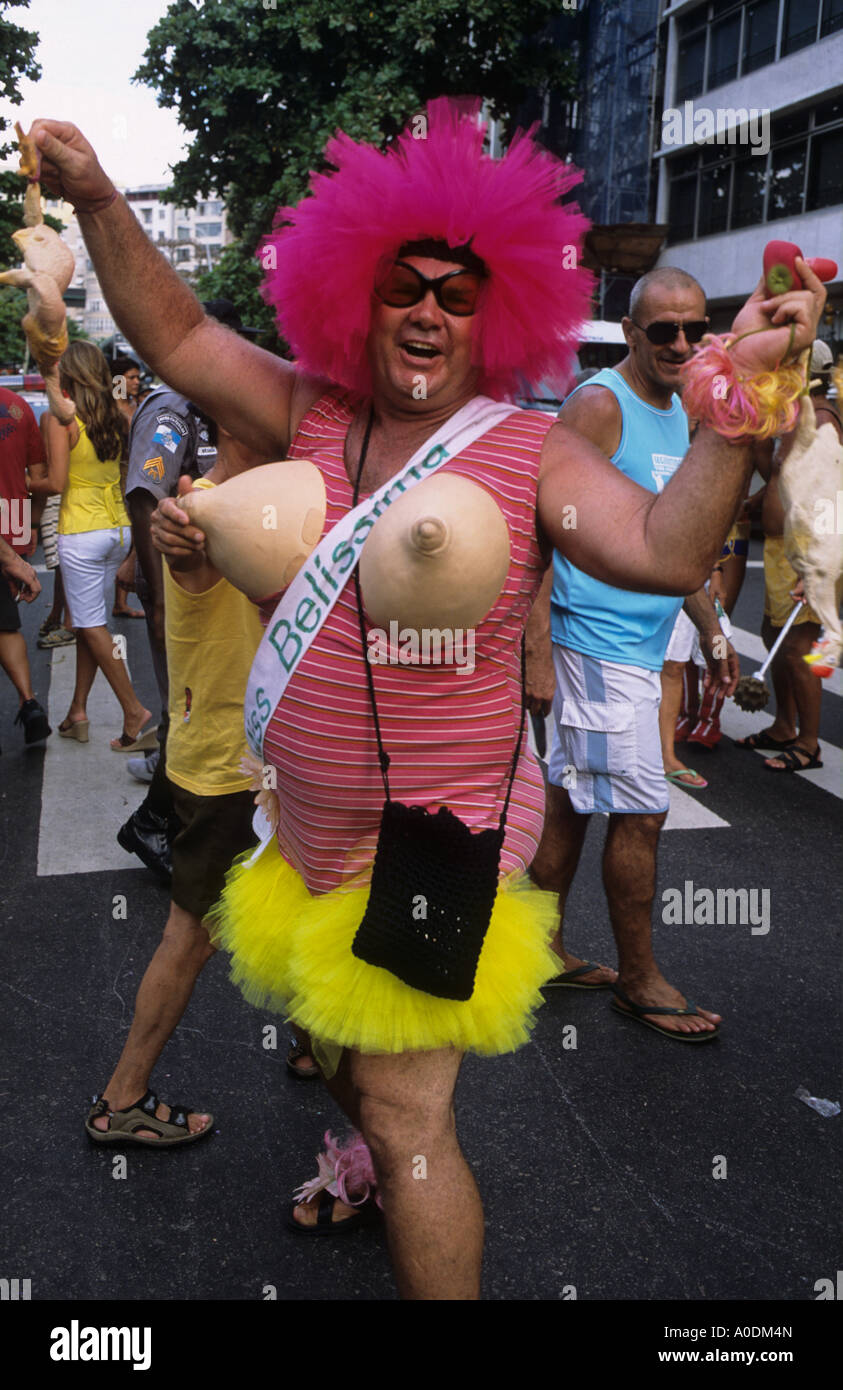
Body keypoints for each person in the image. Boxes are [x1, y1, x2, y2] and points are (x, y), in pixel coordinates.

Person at [29, 105, 823, 1300]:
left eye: (459, 296)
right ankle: (357, 1151)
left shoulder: (528, 450)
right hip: (304, 829)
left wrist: (735, 404)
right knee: (338, 1057)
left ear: (495, 316)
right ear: (361, 293)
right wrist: (97, 197)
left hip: (434, 843)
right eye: (405, 286)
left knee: (406, 1113)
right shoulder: (312, 412)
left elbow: (664, 548)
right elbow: (180, 332)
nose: (428, 313)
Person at [527, 268, 739, 1038]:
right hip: (595, 645)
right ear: (631, 333)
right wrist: (536, 648)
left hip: (639, 647)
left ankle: (539, 948)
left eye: (694, 329)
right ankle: (639, 979)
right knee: (642, 812)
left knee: (571, 808)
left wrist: (712, 627)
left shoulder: (683, 409)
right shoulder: (597, 404)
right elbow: (539, 527)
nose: (681, 344)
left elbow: (666, 542)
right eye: (663, 332)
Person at [86, 439, 262, 1146]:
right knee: (190, 936)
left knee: (315, 907)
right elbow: (183, 547)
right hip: (230, 768)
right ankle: (122, 1098)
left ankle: (315, 1046)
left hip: (239, 759)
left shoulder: (269, 496)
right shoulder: (214, 509)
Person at [34, 341, 154, 749]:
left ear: (66, 375)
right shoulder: (117, 414)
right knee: (91, 622)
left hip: (81, 529)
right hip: (115, 529)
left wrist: (21, 480)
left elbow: (54, 483)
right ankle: (77, 712)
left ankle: (134, 710)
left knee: (88, 623)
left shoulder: (61, 418)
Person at [736, 340, 842, 771]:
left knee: (798, 646)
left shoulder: (824, 425)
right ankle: (783, 725)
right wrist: (756, 502)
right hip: (783, 548)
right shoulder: (797, 420)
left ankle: (810, 742)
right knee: (771, 634)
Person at [0, 383, 51, 746]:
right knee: (5, 621)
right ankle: (28, 700)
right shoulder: (18, 407)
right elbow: (38, 477)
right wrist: (31, 524)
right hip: (12, 518)